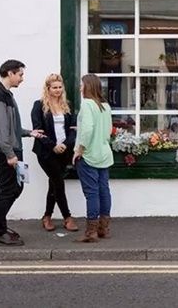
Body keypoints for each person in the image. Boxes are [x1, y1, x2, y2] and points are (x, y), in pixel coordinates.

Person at [0, 59, 45, 246]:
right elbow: (2, 130)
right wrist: (10, 155)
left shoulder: (7, 95)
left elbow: (11, 127)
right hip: (6, 151)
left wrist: (29, 133)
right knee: (6, 190)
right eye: (20, 74)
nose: (22, 78)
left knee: (15, 187)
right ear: (10, 73)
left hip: (11, 148)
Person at [30, 74, 79, 233]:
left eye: (60, 87)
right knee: (58, 182)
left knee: (54, 183)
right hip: (46, 152)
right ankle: (67, 217)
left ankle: (47, 216)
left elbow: (72, 130)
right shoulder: (39, 106)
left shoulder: (67, 105)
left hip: (64, 152)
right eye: (54, 87)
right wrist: (53, 146)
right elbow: (38, 131)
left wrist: (65, 145)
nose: (57, 90)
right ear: (48, 89)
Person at [73, 74, 114, 242]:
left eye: (82, 85)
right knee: (104, 191)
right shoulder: (105, 106)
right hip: (104, 154)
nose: (80, 87)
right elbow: (108, 129)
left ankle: (91, 232)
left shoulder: (87, 104)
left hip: (89, 155)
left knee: (92, 193)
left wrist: (79, 150)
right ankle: (103, 229)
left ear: (88, 86)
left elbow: (89, 129)